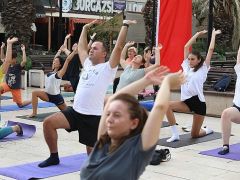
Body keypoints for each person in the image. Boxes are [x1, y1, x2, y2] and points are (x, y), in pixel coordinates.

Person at [38, 19, 137, 168]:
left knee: (92, 159)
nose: (91, 50)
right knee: (48, 123)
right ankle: (54, 156)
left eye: (96, 48)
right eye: (92, 48)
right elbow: (83, 48)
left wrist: (125, 25)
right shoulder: (88, 64)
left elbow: (118, 48)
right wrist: (84, 29)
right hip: (75, 112)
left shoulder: (108, 68)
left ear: (104, 53)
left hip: (92, 117)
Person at [80, 67, 185, 179]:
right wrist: (146, 80)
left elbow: (159, 107)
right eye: (108, 114)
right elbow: (112, 100)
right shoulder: (103, 142)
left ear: (133, 123)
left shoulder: (136, 150)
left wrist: (167, 82)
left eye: (117, 115)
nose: (109, 119)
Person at [165, 29, 221, 142]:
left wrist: (213, 35)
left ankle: (207, 130)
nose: (190, 61)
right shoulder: (186, 67)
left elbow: (210, 49)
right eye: (189, 59)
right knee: (166, 105)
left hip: (199, 103)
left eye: (192, 59)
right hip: (186, 101)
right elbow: (186, 47)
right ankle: (175, 134)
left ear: (199, 60)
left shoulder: (203, 68)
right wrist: (197, 34)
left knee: (194, 135)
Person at [27, 48, 77, 118]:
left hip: (56, 97)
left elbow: (68, 60)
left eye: (56, 62)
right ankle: (34, 113)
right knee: (35, 93)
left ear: (60, 65)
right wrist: (59, 51)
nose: (54, 62)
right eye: (54, 61)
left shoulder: (60, 73)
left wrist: (74, 52)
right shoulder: (52, 71)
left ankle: (75, 112)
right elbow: (55, 58)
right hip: (47, 95)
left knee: (67, 113)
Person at [218, 45, 240, 155]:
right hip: (238, 109)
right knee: (226, 113)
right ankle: (225, 146)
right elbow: (239, 56)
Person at [0, 37, 31, 107]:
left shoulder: (18, 66)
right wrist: (2, 48)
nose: (7, 59)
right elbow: (2, 58)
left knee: (20, 105)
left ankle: (32, 100)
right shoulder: (8, 65)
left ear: (14, 59)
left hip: (15, 88)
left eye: (10, 58)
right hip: (7, 85)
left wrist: (23, 50)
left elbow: (24, 61)